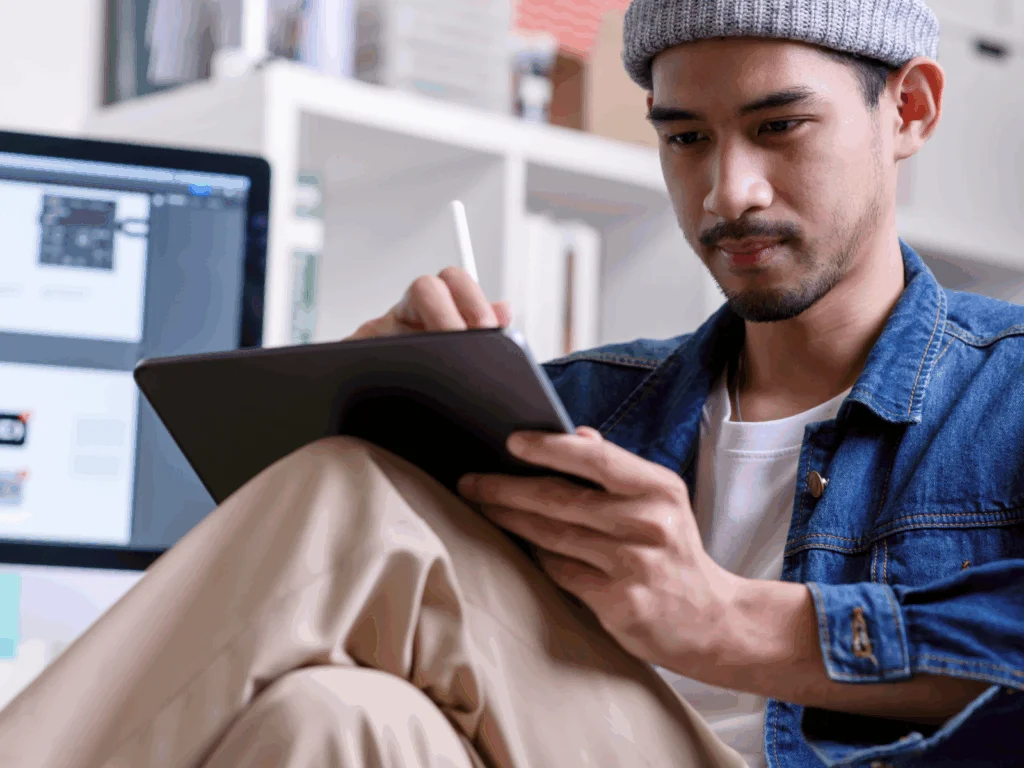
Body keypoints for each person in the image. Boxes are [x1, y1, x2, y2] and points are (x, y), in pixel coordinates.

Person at [0, 0, 1021, 766]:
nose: (727, 191)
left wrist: (724, 619)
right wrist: (370, 397)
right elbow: (281, 583)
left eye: (779, 127)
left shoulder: (1008, 387)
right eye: (684, 137)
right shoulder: (583, 404)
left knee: (352, 497)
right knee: (329, 720)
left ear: (909, 110)